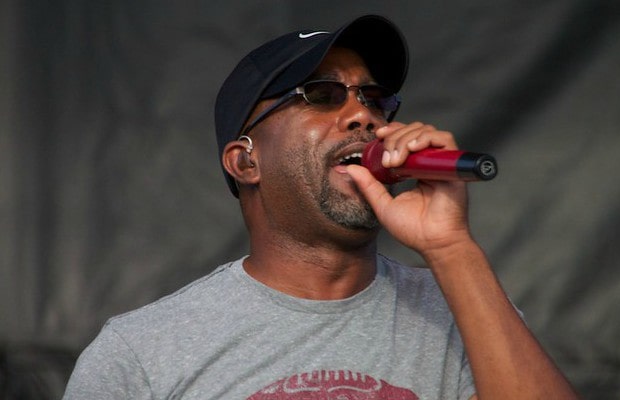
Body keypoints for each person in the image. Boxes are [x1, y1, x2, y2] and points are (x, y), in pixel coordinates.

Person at [63, 15, 579, 399]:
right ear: (245, 162)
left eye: (375, 99)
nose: (363, 115)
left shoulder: (466, 309)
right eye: (323, 94)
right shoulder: (140, 353)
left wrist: (450, 247)